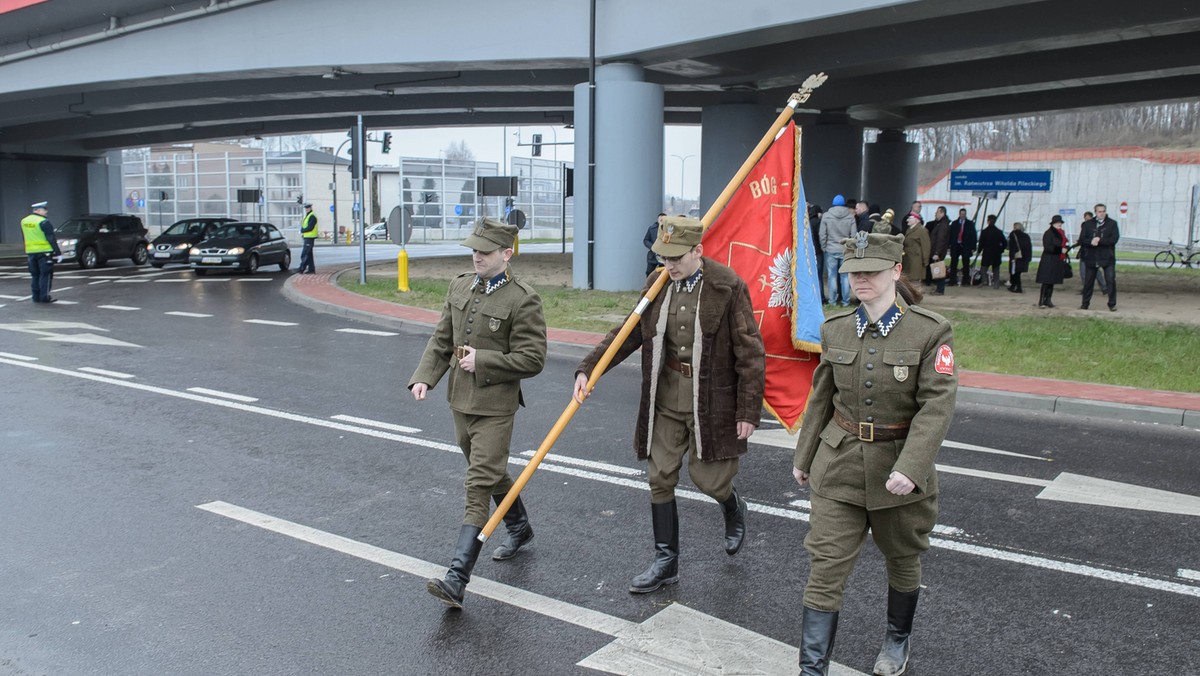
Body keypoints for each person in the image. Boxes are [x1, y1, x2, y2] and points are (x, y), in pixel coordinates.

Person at [792, 224, 957, 676]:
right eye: (854, 272)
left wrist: (913, 466)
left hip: (898, 471)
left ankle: (896, 641)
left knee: (903, 558)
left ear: (896, 270)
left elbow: (936, 406)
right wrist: (804, 457)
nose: (862, 280)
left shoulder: (929, 332)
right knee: (825, 565)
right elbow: (821, 398)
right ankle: (811, 669)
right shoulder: (836, 330)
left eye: (872, 271)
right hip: (838, 464)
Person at [572, 216, 765, 594]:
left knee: (708, 479)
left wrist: (747, 410)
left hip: (711, 399)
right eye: (663, 257)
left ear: (698, 251)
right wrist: (589, 368)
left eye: (676, 257)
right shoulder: (657, 284)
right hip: (665, 395)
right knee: (659, 476)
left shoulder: (727, 286)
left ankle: (731, 505)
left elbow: (751, 353)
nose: (669, 265)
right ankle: (666, 561)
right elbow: (626, 333)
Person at [409, 217, 548, 609]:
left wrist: (483, 360)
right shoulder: (458, 285)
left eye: (485, 252)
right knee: (490, 471)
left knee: (478, 481)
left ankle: (457, 577)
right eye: (473, 249)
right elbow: (442, 339)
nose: (476, 257)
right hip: (459, 400)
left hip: (495, 406)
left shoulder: (523, 298)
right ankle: (519, 527)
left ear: (507, 254)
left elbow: (533, 358)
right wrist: (425, 378)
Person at [1077, 204, 1120, 311]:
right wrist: (1091, 241)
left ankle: (1112, 304)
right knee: (1088, 281)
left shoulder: (1112, 224)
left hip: (1107, 257)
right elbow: (1082, 239)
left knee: (1110, 280)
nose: (1102, 213)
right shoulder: (1087, 224)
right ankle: (1085, 303)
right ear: (1095, 212)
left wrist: (1100, 240)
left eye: (1103, 211)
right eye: (1099, 211)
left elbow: (1114, 239)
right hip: (1091, 257)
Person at [21, 201, 61, 304]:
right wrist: (58, 253)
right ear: (38, 210)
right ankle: (44, 297)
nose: (46, 212)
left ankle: (36, 296)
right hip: (44, 252)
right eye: (44, 210)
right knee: (45, 275)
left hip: (30, 252)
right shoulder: (43, 222)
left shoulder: (24, 221)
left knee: (35, 275)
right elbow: (51, 238)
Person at [820, 194, 857, 306]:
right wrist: (851, 248)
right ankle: (846, 301)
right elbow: (854, 235)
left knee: (832, 276)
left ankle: (832, 301)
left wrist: (824, 247)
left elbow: (822, 234)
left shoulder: (826, 216)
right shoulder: (850, 216)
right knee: (845, 276)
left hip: (831, 249)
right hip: (845, 250)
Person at [1035, 215, 1071, 309]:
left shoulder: (1062, 233)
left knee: (1052, 281)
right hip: (1049, 260)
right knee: (1046, 281)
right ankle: (1042, 300)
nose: (1059, 224)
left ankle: (1048, 300)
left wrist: (1066, 249)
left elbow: (1065, 244)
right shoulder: (1048, 233)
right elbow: (1047, 247)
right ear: (1053, 223)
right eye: (1058, 222)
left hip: (1057, 260)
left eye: (1060, 223)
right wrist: (1060, 250)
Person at [947, 208, 977, 287]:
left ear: (965, 214)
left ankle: (965, 280)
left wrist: (973, 247)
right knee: (953, 264)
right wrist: (949, 245)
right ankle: (952, 280)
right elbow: (950, 235)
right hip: (956, 246)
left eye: (964, 214)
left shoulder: (970, 224)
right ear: (959, 214)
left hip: (965, 246)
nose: (963, 215)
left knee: (966, 264)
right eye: (961, 214)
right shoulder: (954, 223)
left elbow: (973, 236)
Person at [925, 206, 951, 294]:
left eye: (937, 212)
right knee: (938, 270)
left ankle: (940, 289)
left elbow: (941, 240)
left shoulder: (942, 224)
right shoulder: (941, 223)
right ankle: (938, 289)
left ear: (942, 213)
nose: (935, 213)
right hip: (938, 251)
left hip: (938, 252)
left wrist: (936, 252)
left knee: (939, 270)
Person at [900, 211, 929, 287]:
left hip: (916, 260)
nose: (907, 220)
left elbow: (926, 246)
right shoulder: (909, 229)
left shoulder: (922, 230)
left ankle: (916, 295)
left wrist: (925, 261)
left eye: (910, 218)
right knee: (909, 279)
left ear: (916, 219)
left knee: (915, 279)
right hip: (908, 258)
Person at [977, 214, 1006, 289]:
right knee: (996, 269)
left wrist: (978, 251)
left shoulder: (984, 232)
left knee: (983, 268)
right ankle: (996, 283)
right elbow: (1005, 242)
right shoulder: (999, 232)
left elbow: (981, 243)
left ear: (988, 221)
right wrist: (1001, 249)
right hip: (996, 253)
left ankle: (984, 280)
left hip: (987, 253)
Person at [1007, 222, 1032, 293]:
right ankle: (1014, 286)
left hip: (1016, 256)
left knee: (1014, 272)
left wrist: (1011, 256)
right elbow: (1029, 247)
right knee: (1018, 272)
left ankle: (1017, 287)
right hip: (1024, 257)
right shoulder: (1026, 236)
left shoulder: (1013, 234)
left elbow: (1011, 246)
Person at [296, 202, 318, 273]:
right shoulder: (308, 215)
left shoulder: (312, 216)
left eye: (308, 208)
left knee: (305, 254)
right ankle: (311, 269)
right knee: (309, 254)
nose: (306, 209)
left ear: (310, 208)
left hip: (310, 238)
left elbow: (310, 227)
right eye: (305, 208)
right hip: (307, 237)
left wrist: (302, 230)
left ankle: (301, 268)